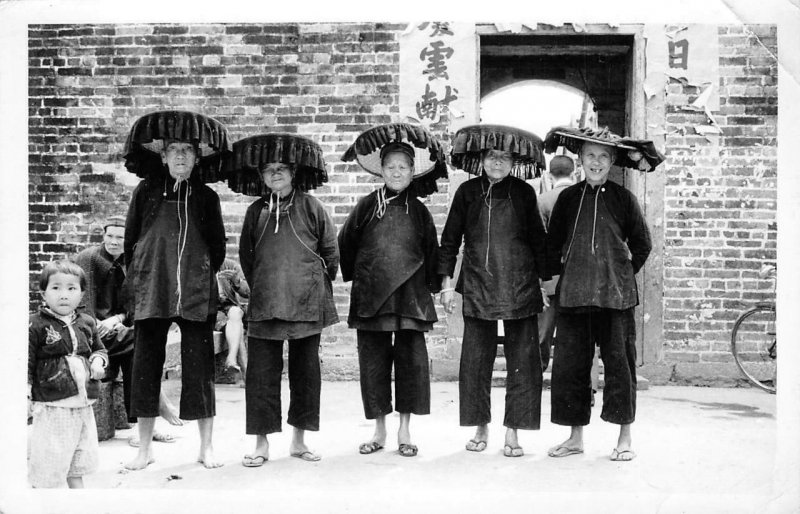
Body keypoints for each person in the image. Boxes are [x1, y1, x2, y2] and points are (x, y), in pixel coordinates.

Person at [542, 126, 661, 462]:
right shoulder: (568, 198)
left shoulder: (623, 199)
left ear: (612, 162)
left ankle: (624, 438)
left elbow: (642, 244)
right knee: (570, 368)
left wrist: (621, 273)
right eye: (590, 156)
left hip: (616, 298)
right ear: (580, 159)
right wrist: (554, 280)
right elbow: (552, 246)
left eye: (603, 157)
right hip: (575, 296)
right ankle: (574, 437)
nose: (596, 162)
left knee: (620, 367)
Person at [122, 110, 231, 470]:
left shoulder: (206, 197)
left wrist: (194, 274)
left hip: (196, 290)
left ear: (197, 157)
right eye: (174, 149)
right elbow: (131, 241)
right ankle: (144, 449)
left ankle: (206, 447)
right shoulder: (146, 191)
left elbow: (217, 249)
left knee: (199, 370)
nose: (181, 156)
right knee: (145, 366)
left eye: (188, 149)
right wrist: (147, 275)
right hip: (153, 286)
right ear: (163, 155)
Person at [439, 124, 549, 457]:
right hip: (477, 285)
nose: (497, 163)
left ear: (514, 161)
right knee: (475, 362)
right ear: (481, 158)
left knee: (523, 363)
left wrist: (544, 285)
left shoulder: (524, 193)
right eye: (490, 156)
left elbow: (539, 243)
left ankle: (513, 431)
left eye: (503, 157)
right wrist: (446, 285)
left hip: (520, 286)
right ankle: (480, 426)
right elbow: (450, 240)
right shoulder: (468, 193)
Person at [339, 125, 446, 458]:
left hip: (411, 300)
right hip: (373, 299)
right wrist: (363, 278)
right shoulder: (367, 206)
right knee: (373, 365)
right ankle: (379, 430)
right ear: (381, 171)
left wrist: (433, 287)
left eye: (403, 167)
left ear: (413, 172)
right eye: (390, 167)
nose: (397, 172)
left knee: (411, 366)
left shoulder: (421, 211)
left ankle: (404, 430)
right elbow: (346, 243)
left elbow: (432, 252)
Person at [235, 133, 338, 467]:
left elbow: (330, 253)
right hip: (266, 304)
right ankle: (261, 443)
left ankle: (299, 440)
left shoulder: (312, 207)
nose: (275, 174)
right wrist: (264, 285)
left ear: (293, 173)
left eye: (281, 168)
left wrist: (312, 285)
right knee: (261, 376)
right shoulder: (256, 212)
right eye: (269, 170)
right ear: (262, 176)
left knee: (305, 374)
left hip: (307, 304)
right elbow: (247, 259)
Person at [73, 215, 183, 446]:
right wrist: (96, 325)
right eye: (109, 236)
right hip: (90, 331)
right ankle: (156, 410)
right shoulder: (89, 259)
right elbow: (82, 301)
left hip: (115, 331)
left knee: (137, 348)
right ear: (103, 236)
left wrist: (117, 318)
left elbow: (133, 305)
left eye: (119, 237)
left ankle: (144, 424)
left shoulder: (131, 261)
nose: (113, 241)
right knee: (139, 344)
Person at [28, 261, 108, 488]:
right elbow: (27, 362)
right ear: (43, 292)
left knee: (79, 455)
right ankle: (48, 498)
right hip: (54, 404)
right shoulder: (36, 325)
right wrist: (25, 394)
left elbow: (99, 348)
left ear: (82, 293)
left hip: (83, 403)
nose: (64, 295)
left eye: (72, 288)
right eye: (56, 288)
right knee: (51, 458)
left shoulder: (87, 322)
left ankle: (77, 499)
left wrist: (98, 360)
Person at [536, 155, 576, 371]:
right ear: (575, 171)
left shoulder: (543, 200)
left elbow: (539, 243)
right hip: (578, 279)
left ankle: (537, 376)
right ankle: (583, 386)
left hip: (550, 279)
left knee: (543, 332)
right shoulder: (582, 197)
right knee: (578, 335)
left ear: (550, 175)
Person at [216, 257, 250, 382]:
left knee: (236, 312)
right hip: (211, 311)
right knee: (238, 329)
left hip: (229, 308)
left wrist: (237, 281)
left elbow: (248, 292)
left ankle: (231, 359)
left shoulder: (229, 265)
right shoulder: (199, 265)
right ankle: (247, 375)